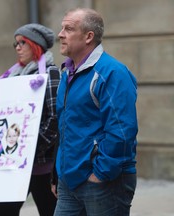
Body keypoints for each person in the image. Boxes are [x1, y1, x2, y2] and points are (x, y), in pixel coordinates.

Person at [51, 8, 138, 216]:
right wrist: (58, 173)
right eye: (62, 28)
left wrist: (100, 173)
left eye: (69, 29)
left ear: (89, 36)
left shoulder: (112, 72)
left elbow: (122, 131)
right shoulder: (67, 72)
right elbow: (65, 127)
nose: (60, 34)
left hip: (103, 182)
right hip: (68, 181)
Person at [0, 23, 60, 216]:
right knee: (2, 212)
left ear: (36, 45)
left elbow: (55, 117)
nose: (17, 47)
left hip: (41, 165)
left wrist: (32, 147)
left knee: (50, 211)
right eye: (16, 43)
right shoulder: (13, 75)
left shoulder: (50, 73)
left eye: (23, 42)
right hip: (14, 164)